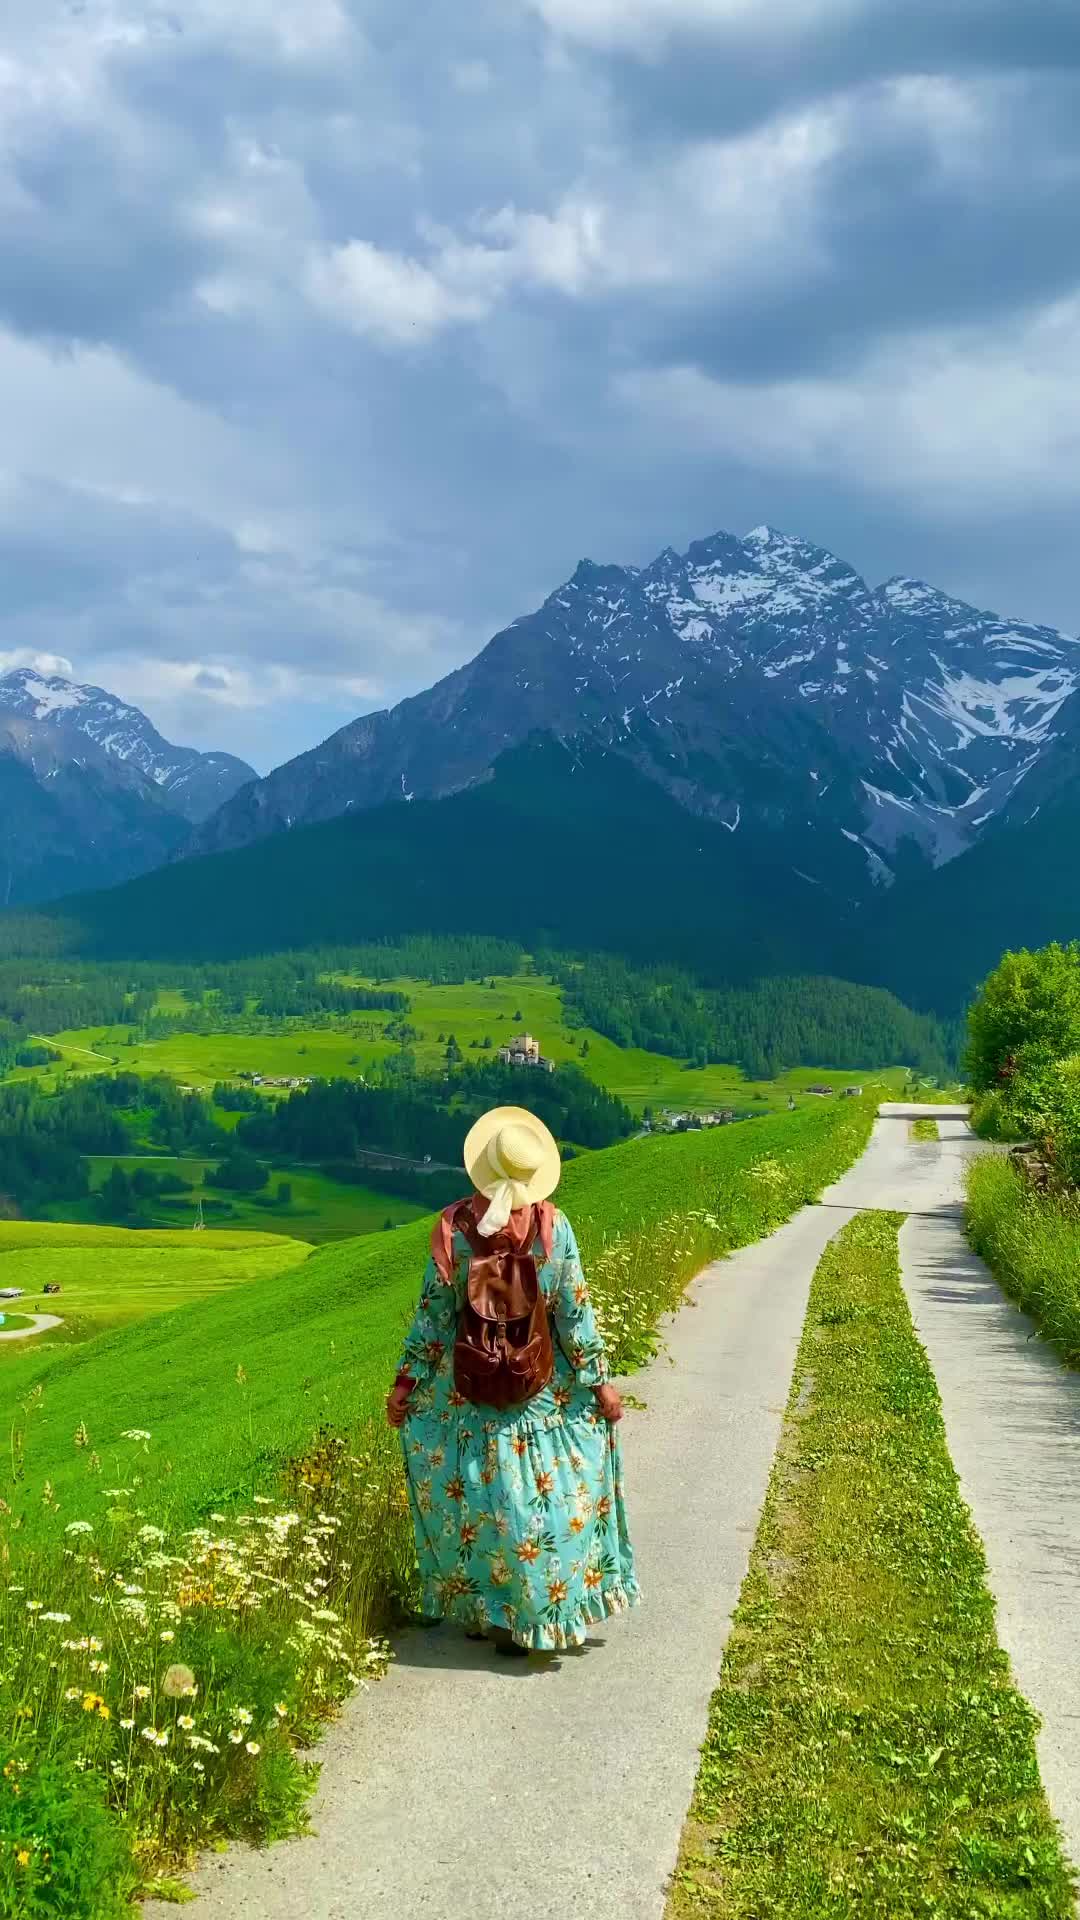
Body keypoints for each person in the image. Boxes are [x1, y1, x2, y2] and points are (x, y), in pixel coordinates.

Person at [387, 1104, 639, 1655]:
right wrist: (599, 1384)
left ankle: (489, 1609)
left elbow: (433, 1315)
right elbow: (573, 1314)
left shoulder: (453, 1231)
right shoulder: (552, 1229)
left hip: (469, 1390)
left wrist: (407, 1382)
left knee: (481, 1501)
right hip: (540, 1391)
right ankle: (538, 1613)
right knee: (540, 1504)